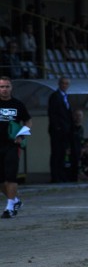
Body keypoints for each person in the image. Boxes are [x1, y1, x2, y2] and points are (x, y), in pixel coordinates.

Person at [0, 76, 32, 218]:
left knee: (11, 177)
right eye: (2, 87)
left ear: (11, 88)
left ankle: (9, 207)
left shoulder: (18, 104)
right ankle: (15, 200)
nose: (4, 89)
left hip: (12, 146)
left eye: (7, 86)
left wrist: (22, 135)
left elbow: (28, 120)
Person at [48, 76, 73, 183]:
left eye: (66, 84)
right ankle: (56, 176)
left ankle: (61, 175)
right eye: (63, 83)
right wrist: (57, 127)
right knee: (57, 153)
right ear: (59, 84)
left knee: (62, 153)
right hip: (58, 130)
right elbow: (52, 113)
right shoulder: (55, 96)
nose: (65, 85)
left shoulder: (65, 97)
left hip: (65, 130)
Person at [67, 108, 84, 182]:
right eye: (76, 115)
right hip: (71, 151)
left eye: (79, 115)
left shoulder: (81, 129)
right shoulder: (69, 127)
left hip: (78, 150)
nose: (78, 117)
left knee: (76, 166)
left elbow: (81, 140)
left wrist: (82, 149)